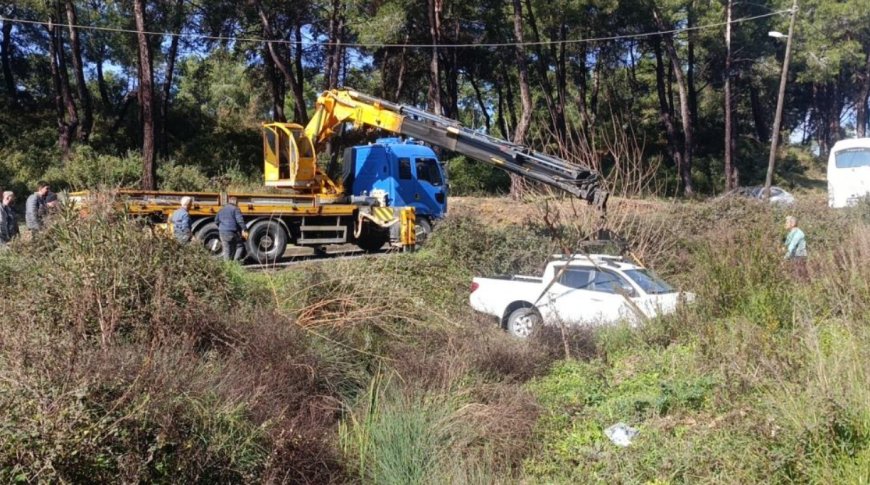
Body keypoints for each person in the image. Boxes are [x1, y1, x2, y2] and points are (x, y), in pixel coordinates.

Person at [214, 196, 247, 261]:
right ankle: (235, 262)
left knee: (226, 249)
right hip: (232, 232)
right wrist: (244, 229)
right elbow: (240, 221)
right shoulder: (235, 209)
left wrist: (222, 227)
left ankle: (227, 266)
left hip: (222, 232)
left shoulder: (221, 209)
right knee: (239, 246)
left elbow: (216, 220)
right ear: (236, 202)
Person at [783, 215, 807, 279]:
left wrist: (784, 258)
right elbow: (786, 245)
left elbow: (791, 246)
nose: (785, 224)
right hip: (793, 256)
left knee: (800, 277)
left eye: (787, 222)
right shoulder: (790, 233)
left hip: (799, 257)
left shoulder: (799, 233)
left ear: (793, 224)